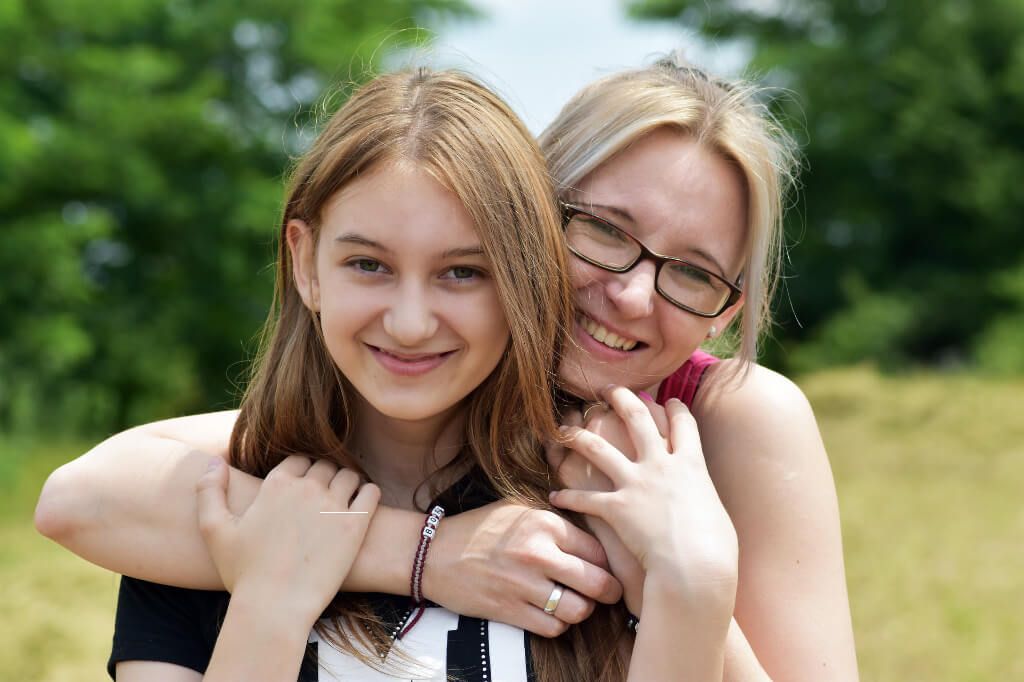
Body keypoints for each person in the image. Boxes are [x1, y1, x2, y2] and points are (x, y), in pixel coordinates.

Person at [36, 56, 859, 680]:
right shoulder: (276, 491)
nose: (632, 295)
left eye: (694, 274)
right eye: (605, 231)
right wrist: (421, 555)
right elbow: (86, 496)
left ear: (729, 307)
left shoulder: (706, 436)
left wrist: (691, 586)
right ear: (531, 224)